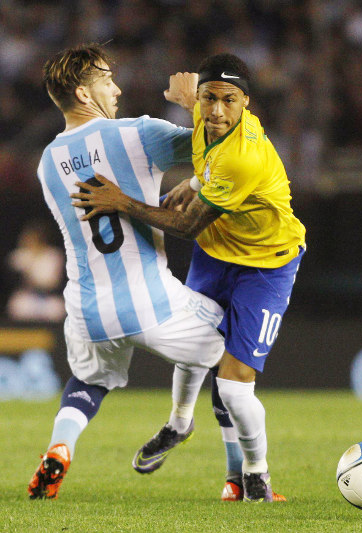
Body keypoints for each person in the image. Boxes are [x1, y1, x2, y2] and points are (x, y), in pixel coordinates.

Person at [71, 53, 306, 503]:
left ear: (247, 104)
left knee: (235, 388)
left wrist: (120, 201)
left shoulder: (245, 158)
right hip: (217, 251)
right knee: (192, 345)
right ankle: (180, 421)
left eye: (228, 101)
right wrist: (197, 181)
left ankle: (257, 478)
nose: (216, 111)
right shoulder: (203, 115)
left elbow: (183, 226)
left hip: (266, 264)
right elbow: (207, 151)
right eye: (209, 99)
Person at [28, 44, 226, 500]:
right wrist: (195, 103)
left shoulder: (45, 164)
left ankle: (60, 446)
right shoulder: (136, 134)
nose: (116, 88)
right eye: (106, 81)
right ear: (82, 92)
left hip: (87, 309)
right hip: (152, 302)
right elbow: (220, 146)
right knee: (236, 351)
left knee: (89, 381)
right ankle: (241, 475)